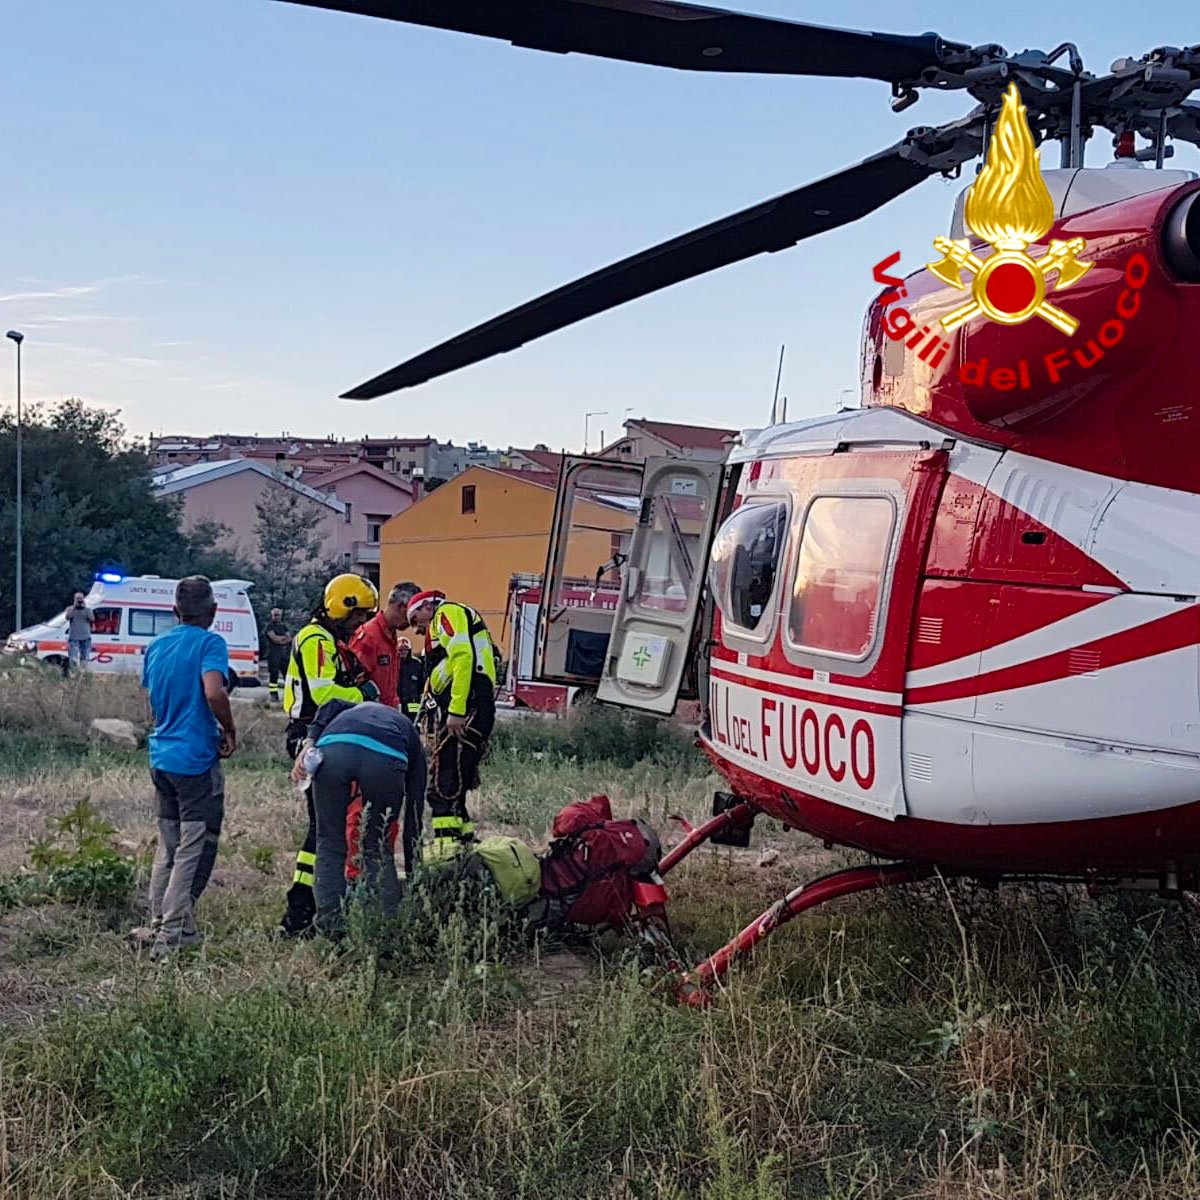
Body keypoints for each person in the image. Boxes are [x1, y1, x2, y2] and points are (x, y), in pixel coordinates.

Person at [134, 576, 237, 960]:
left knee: (169, 844)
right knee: (193, 846)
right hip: (194, 760)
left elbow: (153, 702)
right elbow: (213, 690)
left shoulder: (156, 645)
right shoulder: (211, 643)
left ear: (175, 611)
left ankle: (159, 919)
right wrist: (228, 728)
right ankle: (173, 930)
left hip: (161, 756)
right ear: (212, 612)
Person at [279, 573, 382, 936]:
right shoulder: (316, 639)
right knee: (322, 827)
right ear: (341, 607)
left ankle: (307, 906)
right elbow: (324, 694)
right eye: (357, 616)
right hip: (311, 734)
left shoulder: (327, 640)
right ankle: (301, 911)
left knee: (323, 825)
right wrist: (366, 695)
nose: (359, 624)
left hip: (321, 734)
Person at [290, 698, 426, 938]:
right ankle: (384, 934)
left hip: (332, 750)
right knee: (376, 851)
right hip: (385, 755)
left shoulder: (348, 709)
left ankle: (331, 933)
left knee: (329, 845)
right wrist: (417, 883)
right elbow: (413, 823)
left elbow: (329, 704)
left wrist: (309, 741)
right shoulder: (409, 734)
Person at [405, 589, 498, 856]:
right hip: (472, 704)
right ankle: (463, 844)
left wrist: (456, 710)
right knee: (456, 781)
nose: (416, 629)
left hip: (466, 705)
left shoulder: (446, 613)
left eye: (415, 619)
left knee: (444, 784)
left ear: (428, 606)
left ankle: (446, 852)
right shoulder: (450, 620)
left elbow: (462, 657)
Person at [349, 582, 421, 708]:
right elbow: (354, 682)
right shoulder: (369, 637)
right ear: (400, 606)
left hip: (387, 713)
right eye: (411, 615)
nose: (412, 621)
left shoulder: (390, 635)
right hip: (372, 716)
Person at [63, 591, 95, 676]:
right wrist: (74, 606)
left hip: (85, 638)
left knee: (84, 659)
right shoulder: (70, 609)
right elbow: (67, 617)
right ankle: (73, 674)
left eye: (81, 598)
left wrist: (85, 607)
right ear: (74, 599)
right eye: (78, 598)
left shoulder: (88, 610)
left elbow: (92, 619)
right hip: (74, 638)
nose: (79, 600)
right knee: (73, 658)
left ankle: (82, 676)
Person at [263, 607, 291, 697]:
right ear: (272, 616)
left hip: (284, 655)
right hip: (273, 655)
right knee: (274, 676)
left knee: (287, 676)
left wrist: (280, 639)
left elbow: (290, 638)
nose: (277, 617)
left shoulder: (284, 626)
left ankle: (288, 695)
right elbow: (274, 639)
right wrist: (283, 638)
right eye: (275, 615)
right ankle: (273, 695)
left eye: (278, 615)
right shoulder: (269, 626)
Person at [397, 636, 426, 722]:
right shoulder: (394, 664)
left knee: (414, 723)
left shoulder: (417, 664)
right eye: (400, 650)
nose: (403, 652)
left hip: (413, 702)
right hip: (399, 701)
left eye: (405, 650)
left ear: (409, 650)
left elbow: (422, 683)